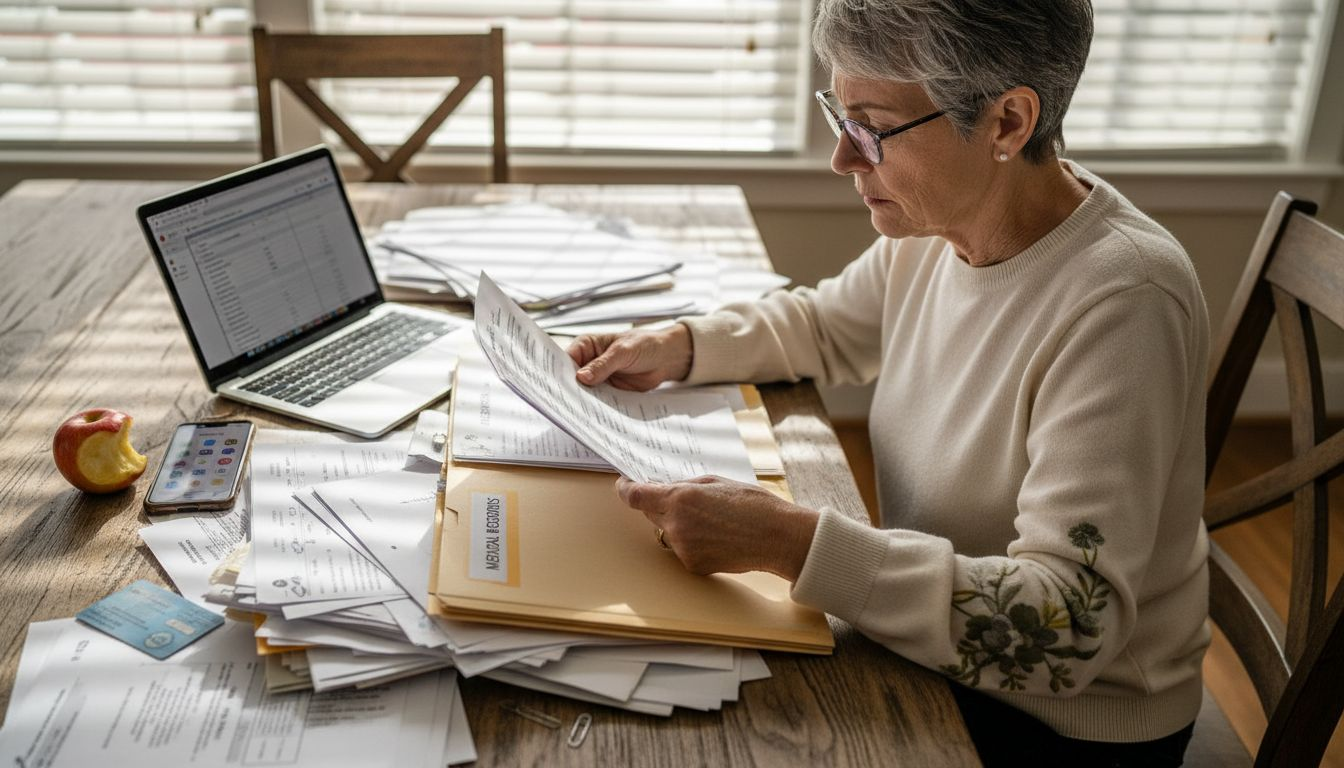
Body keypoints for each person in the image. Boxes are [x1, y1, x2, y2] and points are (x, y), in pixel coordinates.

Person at [567, 0, 1210, 765]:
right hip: (935, 653)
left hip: (1060, 725)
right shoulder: (946, 225)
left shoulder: (1123, 301)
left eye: (869, 126)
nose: (842, 157)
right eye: (837, 113)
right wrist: (675, 345)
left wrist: (786, 541)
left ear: (1007, 123)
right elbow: (825, 325)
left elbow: (1063, 632)